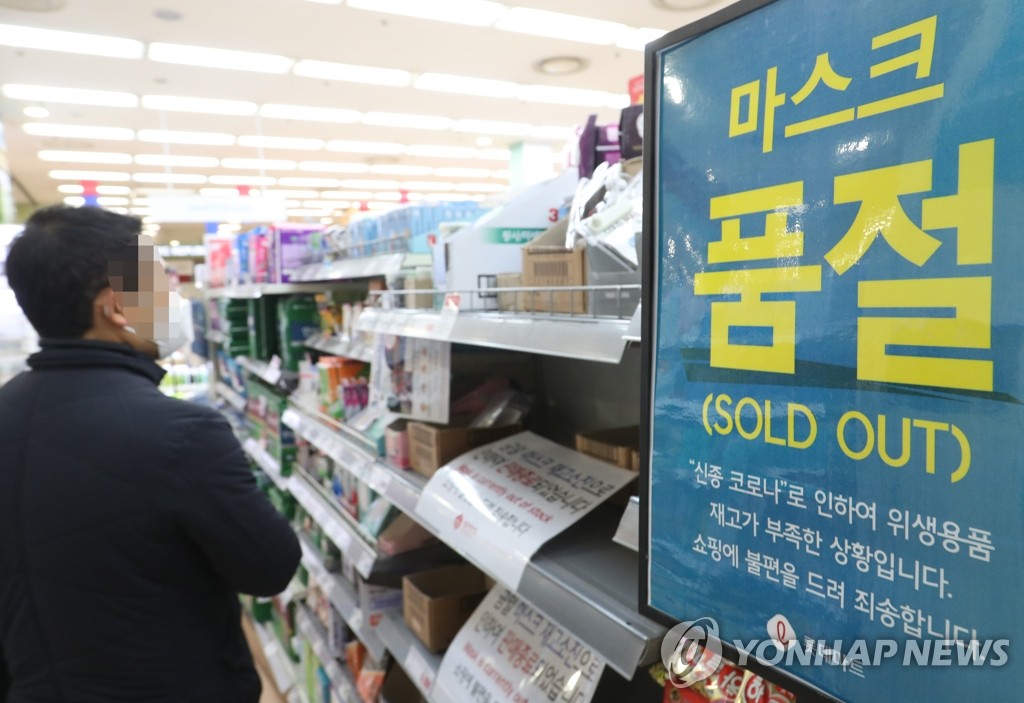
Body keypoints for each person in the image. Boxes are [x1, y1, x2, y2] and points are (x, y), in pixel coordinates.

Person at [0, 206, 301, 703]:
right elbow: (270, 569)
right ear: (118, 307)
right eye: (160, 284)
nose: (173, 299)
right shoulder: (181, 434)